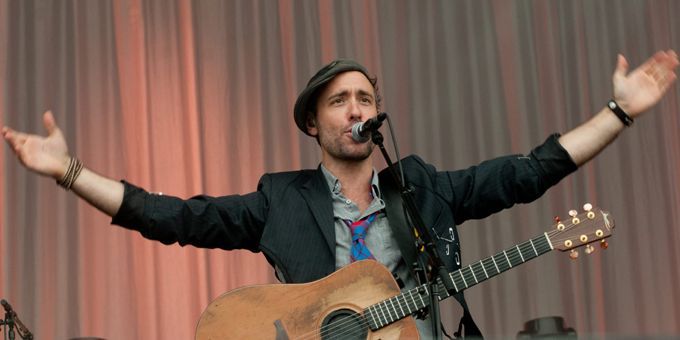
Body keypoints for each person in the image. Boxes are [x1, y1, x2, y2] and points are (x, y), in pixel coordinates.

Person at [2, 51, 678, 338]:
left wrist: (619, 113)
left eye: (366, 98)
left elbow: (531, 169)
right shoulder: (280, 199)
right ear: (313, 121)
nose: (355, 108)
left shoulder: (423, 189)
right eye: (339, 100)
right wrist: (68, 172)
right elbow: (171, 216)